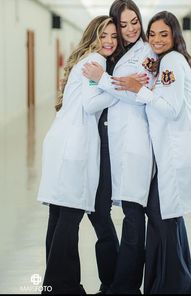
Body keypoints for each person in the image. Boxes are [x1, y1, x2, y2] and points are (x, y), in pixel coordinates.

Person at [112, 11, 191, 294]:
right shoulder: (163, 61)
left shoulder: (172, 61)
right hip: (169, 153)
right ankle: (169, 284)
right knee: (166, 219)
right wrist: (141, 83)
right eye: (153, 34)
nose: (157, 39)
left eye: (164, 34)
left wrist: (140, 90)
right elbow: (155, 85)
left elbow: (172, 110)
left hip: (177, 153)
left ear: (174, 35)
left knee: (164, 219)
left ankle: (174, 286)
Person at [37, 15, 120, 294]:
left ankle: (54, 286)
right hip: (75, 145)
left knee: (59, 216)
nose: (109, 41)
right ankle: (63, 287)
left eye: (114, 36)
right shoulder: (95, 62)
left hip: (62, 142)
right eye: (103, 35)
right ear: (93, 37)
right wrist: (120, 87)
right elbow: (90, 104)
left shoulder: (86, 59)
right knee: (69, 216)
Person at [82, 0, 155, 293]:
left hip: (133, 142)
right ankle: (110, 279)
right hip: (108, 142)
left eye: (134, 21)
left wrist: (103, 80)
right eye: (122, 24)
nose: (129, 29)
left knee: (133, 214)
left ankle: (125, 287)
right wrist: (114, 82)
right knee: (99, 210)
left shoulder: (148, 53)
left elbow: (138, 93)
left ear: (141, 18)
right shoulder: (114, 54)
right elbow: (121, 89)